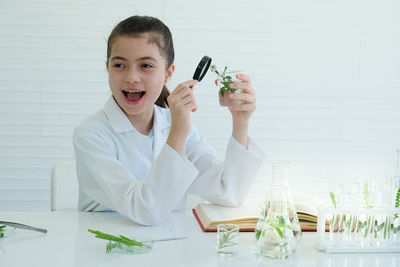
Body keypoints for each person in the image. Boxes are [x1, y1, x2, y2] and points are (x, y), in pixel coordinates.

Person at [73, 15, 265, 225]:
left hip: (167, 248)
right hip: (103, 248)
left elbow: (229, 193)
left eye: (146, 66)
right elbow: (145, 210)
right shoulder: (91, 135)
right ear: (107, 67)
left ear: (168, 73)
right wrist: (178, 132)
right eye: (119, 65)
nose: (131, 77)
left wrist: (241, 121)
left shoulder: (174, 125)